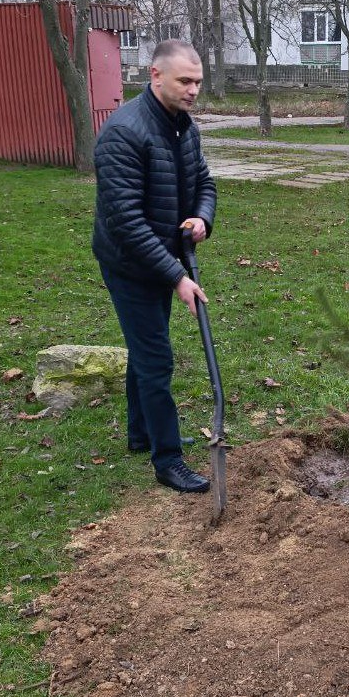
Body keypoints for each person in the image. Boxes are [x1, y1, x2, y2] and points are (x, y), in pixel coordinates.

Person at [92, 40, 217, 494]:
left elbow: (204, 182)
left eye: (197, 82)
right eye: (184, 81)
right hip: (130, 265)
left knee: (145, 350)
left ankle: (141, 433)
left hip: (162, 257)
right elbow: (125, 221)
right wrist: (176, 276)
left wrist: (201, 218)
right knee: (156, 358)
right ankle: (167, 459)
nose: (193, 90)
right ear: (156, 75)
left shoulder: (183, 127)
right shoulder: (124, 133)